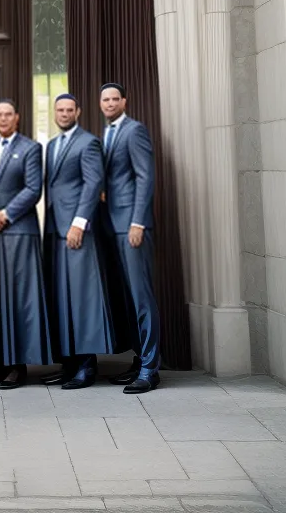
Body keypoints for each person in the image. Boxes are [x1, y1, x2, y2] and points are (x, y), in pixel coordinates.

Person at [43, 92, 125, 389]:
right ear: (55, 113)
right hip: (54, 230)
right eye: (59, 110)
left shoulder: (88, 142)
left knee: (82, 298)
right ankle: (68, 364)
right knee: (62, 297)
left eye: (69, 109)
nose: (64, 114)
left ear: (78, 111)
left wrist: (79, 223)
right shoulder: (52, 145)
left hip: (79, 231)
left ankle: (87, 366)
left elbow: (93, 183)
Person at [0, 99, 52, 389]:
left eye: (8, 115)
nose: (3, 119)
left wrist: (4, 215)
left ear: (17, 118)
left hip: (18, 233)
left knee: (19, 298)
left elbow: (33, 189)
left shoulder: (30, 148)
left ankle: (18, 365)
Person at [100, 82, 161, 393]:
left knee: (142, 297)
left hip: (132, 226)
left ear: (124, 101)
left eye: (115, 98)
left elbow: (145, 176)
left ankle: (150, 369)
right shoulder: (106, 134)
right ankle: (139, 360)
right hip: (112, 226)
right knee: (127, 299)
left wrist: (138, 221)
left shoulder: (134, 130)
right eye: (105, 99)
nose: (110, 103)